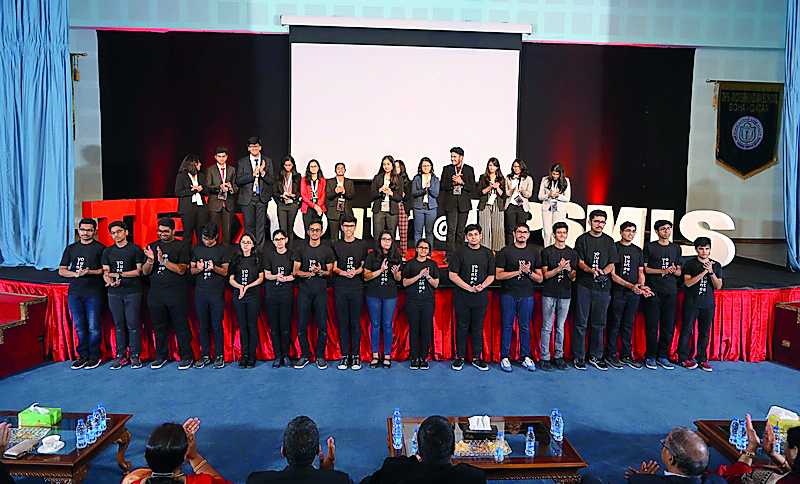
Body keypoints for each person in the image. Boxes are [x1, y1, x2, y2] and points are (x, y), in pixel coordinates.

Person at [361, 415, 486, 484]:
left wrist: (410, 460)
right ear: (453, 449)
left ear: (419, 451)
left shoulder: (395, 469)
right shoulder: (474, 477)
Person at [143, 217, 193, 370]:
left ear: (173, 231)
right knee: (159, 328)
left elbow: (181, 270)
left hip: (177, 294)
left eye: (165, 231)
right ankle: (161, 356)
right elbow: (145, 272)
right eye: (160, 231)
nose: (162, 234)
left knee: (181, 326)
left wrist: (164, 262)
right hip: (156, 294)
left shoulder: (182, 246)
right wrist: (150, 261)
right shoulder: (152, 246)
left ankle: (186, 356)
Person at [572, 210, 618, 371]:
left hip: (603, 289)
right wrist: (591, 271)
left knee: (599, 323)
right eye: (597, 221)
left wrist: (603, 272)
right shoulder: (582, 240)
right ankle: (579, 356)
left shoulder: (609, 241)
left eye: (602, 222)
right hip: (584, 286)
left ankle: (596, 356)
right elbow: (580, 262)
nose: (599, 224)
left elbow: (612, 264)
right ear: (590, 222)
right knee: (581, 323)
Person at [122, 418, 231, 484]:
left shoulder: (132, 481)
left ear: (146, 456)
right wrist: (194, 457)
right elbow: (219, 481)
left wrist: (174, 446)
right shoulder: (203, 482)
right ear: (183, 459)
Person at [246, 416, 351, 484]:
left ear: (283, 452)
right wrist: (327, 476)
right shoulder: (342, 481)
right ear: (318, 451)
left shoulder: (255, 481)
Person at [495, 223, 543, 372]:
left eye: (525, 232)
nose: (522, 234)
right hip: (508, 294)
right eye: (519, 232)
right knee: (507, 325)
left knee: (525, 326)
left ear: (528, 235)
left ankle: (525, 356)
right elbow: (498, 275)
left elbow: (540, 278)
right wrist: (517, 272)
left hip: (527, 295)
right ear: (514, 234)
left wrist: (528, 272)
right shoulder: (505, 251)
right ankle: (505, 357)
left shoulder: (534, 252)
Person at [59, 218, 105, 370]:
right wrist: (75, 274)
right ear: (78, 231)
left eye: (89, 230)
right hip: (75, 293)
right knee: (79, 327)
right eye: (83, 229)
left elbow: (105, 270)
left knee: (93, 327)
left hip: (94, 292)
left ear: (94, 232)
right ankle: (83, 355)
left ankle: (94, 356)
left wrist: (90, 272)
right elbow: (62, 270)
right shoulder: (71, 248)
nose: (85, 233)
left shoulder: (100, 248)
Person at [606, 222, 652, 370]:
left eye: (633, 231)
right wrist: (631, 286)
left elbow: (640, 272)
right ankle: (610, 355)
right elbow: (612, 274)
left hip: (633, 294)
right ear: (621, 232)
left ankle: (626, 355)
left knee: (628, 324)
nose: (630, 234)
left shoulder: (638, 250)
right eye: (627, 231)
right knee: (614, 324)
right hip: (618, 292)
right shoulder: (614, 247)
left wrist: (641, 286)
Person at [449, 224, 495, 371]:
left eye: (476, 234)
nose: (473, 237)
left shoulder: (487, 253)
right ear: (466, 237)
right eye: (470, 235)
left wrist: (482, 285)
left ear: (480, 236)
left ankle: (476, 358)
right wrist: (468, 287)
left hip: (480, 297)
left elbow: (492, 275)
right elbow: (452, 275)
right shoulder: (459, 252)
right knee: (461, 327)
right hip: (462, 297)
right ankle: (460, 358)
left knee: (477, 328)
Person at [102, 220, 145, 370]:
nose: (116, 235)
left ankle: (135, 355)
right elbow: (106, 272)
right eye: (113, 233)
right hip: (114, 293)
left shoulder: (135, 249)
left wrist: (120, 275)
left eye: (119, 231)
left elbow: (138, 271)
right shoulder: (108, 251)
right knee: (119, 325)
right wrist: (110, 281)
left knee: (132, 324)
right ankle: (121, 355)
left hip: (132, 291)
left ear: (126, 232)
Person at [292, 220, 335, 369]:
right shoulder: (300, 248)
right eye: (312, 230)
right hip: (304, 290)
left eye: (317, 230)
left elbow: (330, 272)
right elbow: (295, 271)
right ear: (308, 232)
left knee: (322, 326)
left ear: (321, 232)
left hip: (320, 291)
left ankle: (320, 356)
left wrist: (320, 272)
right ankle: (304, 355)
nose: (315, 232)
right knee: (302, 325)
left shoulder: (327, 250)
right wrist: (310, 273)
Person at [677, 237, 724, 371]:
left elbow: (718, 286)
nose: (704, 251)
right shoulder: (690, 264)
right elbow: (688, 283)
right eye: (701, 248)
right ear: (696, 249)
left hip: (708, 304)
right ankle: (683, 358)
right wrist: (704, 272)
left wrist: (711, 272)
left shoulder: (716, 265)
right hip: (692, 303)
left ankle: (702, 358)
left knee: (704, 332)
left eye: (707, 249)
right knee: (686, 330)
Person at [643, 219, 683, 370]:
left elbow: (679, 271)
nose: (666, 231)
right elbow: (646, 269)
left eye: (669, 228)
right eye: (663, 229)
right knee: (652, 325)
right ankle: (650, 356)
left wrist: (673, 271)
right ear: (656, 231)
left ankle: (663, 356)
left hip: (670, 291)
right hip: (653, 290)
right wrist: (663, 271)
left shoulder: (676, 248)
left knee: (668, 325)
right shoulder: (650, 246)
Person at [189, 223, 230, 369]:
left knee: (217, 324)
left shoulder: (222, 249)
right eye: (204, 238)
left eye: (209, 239)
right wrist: (199, 269)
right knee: (203, 325)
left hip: (216, 292)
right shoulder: (196, 248)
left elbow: (225, 271)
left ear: (216, 237)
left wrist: (214, 268)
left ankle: (219, 355)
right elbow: (191, 270)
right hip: (200, 292)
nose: (206, 241)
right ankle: (205, 355)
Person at [622, 427, 724, 484]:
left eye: (664, 445)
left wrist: (643, 479)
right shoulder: (718, 481)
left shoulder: (638, 481)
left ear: (671, 459)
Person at [718, 414, 800, 484]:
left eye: (786, 445)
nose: (784, 449)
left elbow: (735, 478)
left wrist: (750, 450)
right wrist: (773, 454)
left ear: (795, 451)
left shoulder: (772, 480)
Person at [539, 222, 578, 371]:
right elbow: (545, 275)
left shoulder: (572, 253)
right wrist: (559, 268)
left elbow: (574, 277)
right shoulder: (547, 252)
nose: (562, 235)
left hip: (565, 294)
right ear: (554, 235)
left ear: (567, 234)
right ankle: (545, 357)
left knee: (560, 327)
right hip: (549, 293)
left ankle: (559, 356)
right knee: (547, 327)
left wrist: (568, 270)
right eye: (559, 232)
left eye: (564, 232)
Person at [332, 215, 368, 370]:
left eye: (351, 226)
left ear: (355, 227)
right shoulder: (336, 244)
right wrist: (343, 273)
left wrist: (356, 272)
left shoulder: (362, 244)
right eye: (346, 226)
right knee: (343, 323)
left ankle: (356, 356)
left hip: (356, 287)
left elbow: (364, 265)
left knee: (355, 323)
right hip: (340, 287)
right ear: (342, 227)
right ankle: (344, 356)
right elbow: (333, 267)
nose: (348, 229)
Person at [364, 230, 403, 369]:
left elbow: (399, 278)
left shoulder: (396, 256)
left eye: (389, 239)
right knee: (375, 324)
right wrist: (380, 271)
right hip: (374, 294)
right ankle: (375, 355)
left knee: (387, 325)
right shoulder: (372, 256)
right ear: (379, 241)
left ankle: (387, 355)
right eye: (384, 239)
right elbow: (366, 276)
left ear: (392, 241)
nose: (386, 242)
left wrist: (396, 274)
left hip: (390, 294)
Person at [402, 239, 439, 370]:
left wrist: (427, 276)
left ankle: (423, 357)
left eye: (426, 248)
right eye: (421, 247)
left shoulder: (433, 264)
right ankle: (414, 357)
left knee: (426, 329)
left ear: (429, 250)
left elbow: (436, 284)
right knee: (414, 329)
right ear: (416, 249)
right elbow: (404, 282)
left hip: (427, 301)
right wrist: (419, 276)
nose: (423, 250)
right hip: (413, 301)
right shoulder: (410, 264)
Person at [229, 233, 264, 368]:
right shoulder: (235, 259)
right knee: (243, 327)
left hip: (253, 295)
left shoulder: (257, 259)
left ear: (253, 244)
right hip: (239, 296)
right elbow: (231, 279)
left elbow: (261, 278)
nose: (245, 245)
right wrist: (240, 287)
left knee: (252, 326)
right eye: (243, 242)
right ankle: (244, 355)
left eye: (248, 242)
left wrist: (248, 286)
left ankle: (252, 355)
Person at [263, 230, 295, 368]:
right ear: (273, 241)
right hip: (271, 295)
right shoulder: (268, 255)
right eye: (277, 239)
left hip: (286, 295)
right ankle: (277, 355)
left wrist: (285, 278)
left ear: (286, 240)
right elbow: (267, 275)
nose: (279, 242)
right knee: (274, 327)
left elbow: (294, 274)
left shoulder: (292, 255)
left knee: (285, 326)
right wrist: (276, 277)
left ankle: (286, 355)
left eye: (282, 239)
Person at [440, 147, 476, 264]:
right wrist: (453, 183)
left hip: (463, 204)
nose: (452, 159)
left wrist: (462, 183)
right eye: (451, 156)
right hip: (450, 203)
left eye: (455, 157)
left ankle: (460, 255)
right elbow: (442, 186)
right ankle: (449, 256)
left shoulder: (469, 169)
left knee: (461, 231)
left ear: (461, 157)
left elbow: (473, 188)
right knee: (451, 230)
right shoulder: (447, 169)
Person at [236, 136, 274, 249]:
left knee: (261, 225)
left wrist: (262, 173)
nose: (254, 148)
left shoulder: (267, 161)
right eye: (252, 146)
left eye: (256, 146)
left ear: (260, 147)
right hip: (247, 198)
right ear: (248, 148)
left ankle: (259, 250)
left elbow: (271, 180)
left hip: (262, 198)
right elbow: (238, 180)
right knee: (249, 225)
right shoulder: (242, 162)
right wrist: (252, 175)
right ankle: (249, 249)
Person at [175, 155, 210, 247]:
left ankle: (200, 253)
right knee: (188, 233)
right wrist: (192, 190)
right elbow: (178, 192)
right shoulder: (182, 176)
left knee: (202, 233)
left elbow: (206, 190)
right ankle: (186, 254)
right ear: (193, 164)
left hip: (201, 208)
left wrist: (200, 189)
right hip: (188, 209)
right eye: (198, 163)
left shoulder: (201, 176)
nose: (200, 164)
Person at [206, 147, 238, 246]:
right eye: (219, 156)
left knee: (227, 231)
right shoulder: (210, 170)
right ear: (215, 157)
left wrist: (231, 188)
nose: (221, 159)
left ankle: (225, 252)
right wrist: (219, 187)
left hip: (227, 203)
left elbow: (236, 187)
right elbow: (207, 187)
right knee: (214, 229)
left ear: (227, 157)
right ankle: (215, 250)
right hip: (215, 203)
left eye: (223, 156)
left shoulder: (232, 170)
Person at [371, 155, 402, 250]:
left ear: (392, 165)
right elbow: (372, 195)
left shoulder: (398, 179)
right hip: (379, 210)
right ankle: (377, 254)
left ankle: (391, 255)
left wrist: (391, 193)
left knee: (391, 234)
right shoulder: (378, 178)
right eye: (384, 164)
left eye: (388, 164)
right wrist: (380, 191)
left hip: (392, 211)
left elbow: (399, 197)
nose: (386, 166)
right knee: (377, 234)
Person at [537, 163, 571, 247]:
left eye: (557, 174)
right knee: (547, 231)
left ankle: (555, 249)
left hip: (559, 209)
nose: (555, 176)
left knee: (557, 231)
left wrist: (558, 196)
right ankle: (546, 249)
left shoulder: (566, 181)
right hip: (547, 207)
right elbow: (540, 196)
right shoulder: (545, 180)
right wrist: (548, 195)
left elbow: (567, 198)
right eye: (553, 174)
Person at [476, 158, 506, 252]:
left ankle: (497, 250)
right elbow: (480, 192)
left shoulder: (501, 178)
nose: (491, 167)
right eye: (490, 165)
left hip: (497, 204)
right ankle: (485, 250)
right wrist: (489, 187)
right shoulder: (483, 177)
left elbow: (503, 195)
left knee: (497, 227)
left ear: (497, 167)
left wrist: (497, 187)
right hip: (485, 203)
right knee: (484, 227)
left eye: (493, 165)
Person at [410, 157, 440, 248]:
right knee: (417, 231)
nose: (426, 168)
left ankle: (428, 253)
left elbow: (436, 193)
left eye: (428, 166)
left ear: (431, 167)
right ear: (420, 167)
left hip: (431, 208)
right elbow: (414, 193)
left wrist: (429, 188)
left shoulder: (435, 179)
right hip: (419, 207)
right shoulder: (417, 178)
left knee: (429, 232)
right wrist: (424, 190)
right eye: (424, 166)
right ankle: (418, 252)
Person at [504, 159, 534, 246]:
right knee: (510, 229)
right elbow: (506, 192)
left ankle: (521, 247)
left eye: (518, 166)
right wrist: (511, 191)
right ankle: (510, 248)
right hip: (511, 205)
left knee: (521, 229)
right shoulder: (509, 178)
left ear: (522, 167)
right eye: (514, 166)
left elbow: (529, 194)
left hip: (522, 206)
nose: (516, 168)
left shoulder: (528, 179)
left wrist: (524, 192)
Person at [274, 155, 301, 247]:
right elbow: (274, 192)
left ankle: (290, 249)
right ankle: (282, 248)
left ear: (293, 165)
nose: (288, 167)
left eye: (289, 165)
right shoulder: (278, 176)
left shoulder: (297, 176)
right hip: (282, 204)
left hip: (293, 204)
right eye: (286, 165)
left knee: (290, 229)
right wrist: (281, 196)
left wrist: (294, 195)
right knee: (283, 229)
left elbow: (300, 191)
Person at [325, 162, 355, 242]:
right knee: (334, 237)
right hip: (334, 212)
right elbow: (328, 196)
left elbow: (352, 196)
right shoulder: (330, 182)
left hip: (346, 211)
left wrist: (344, 192)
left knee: (345, 236)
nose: (340, 170)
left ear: (345, 170)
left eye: (342, 168)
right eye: (338, 168)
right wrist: (335, 192)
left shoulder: (349, 182)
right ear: (335, 170)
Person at [300, 159, 326, 235]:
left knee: (317, 230)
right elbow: (303, 195)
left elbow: (323, 195)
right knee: (308, 230)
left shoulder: (323, 180)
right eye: (311, 166)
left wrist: (318, 206)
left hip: (319, 207)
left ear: (318, 168)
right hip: (308, 207)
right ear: (309, 168)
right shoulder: (304, 180)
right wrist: (314, 206)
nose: (313, 168)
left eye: (315, 166)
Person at [394, 159, 413, 257]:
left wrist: (403, 196)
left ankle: (403, 254)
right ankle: (391, 253)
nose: (396, 169)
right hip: (392, 206)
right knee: (391, 232)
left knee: (403, 233)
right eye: (395, 167)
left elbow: (409, 196)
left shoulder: (407, 181)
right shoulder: (389, 179)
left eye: (398, 167)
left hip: (402, 207)